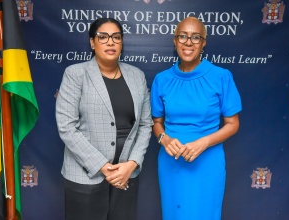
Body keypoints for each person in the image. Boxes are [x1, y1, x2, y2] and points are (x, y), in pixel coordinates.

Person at [56, 18, 152, 220]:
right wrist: (103, 166)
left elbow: (145, 124)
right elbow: (66, 127)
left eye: (116, 37)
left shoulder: (137, 76)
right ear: (92, 42)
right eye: (103, 37)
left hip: (126, 176)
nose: (111, 42)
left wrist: (132, 163)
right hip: (85, 176)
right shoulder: (75, 74)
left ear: (121, 42)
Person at [150, 17, 242, 220]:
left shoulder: (221, 76)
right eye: (183, 36)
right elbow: (156, 123)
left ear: (203, 43)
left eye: (195, 37)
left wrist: (204, 142)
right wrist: (164, 139)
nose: (188, 42)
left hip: (207, 161)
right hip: (171, 161)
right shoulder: (162, 79)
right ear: (175, 41)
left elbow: (233, 124)